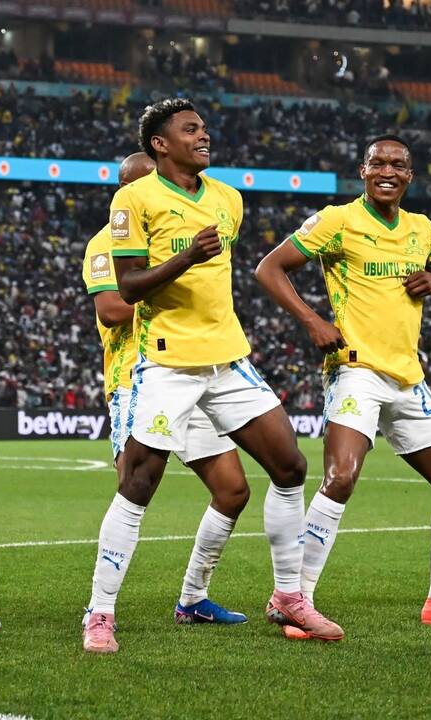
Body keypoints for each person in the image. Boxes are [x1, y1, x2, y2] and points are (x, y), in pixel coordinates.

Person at [83, 98, 329, 652]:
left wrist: (198, 264)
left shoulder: (227, 199)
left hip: (228, 359)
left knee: (289, 465)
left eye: (204, 128)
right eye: (190, 129)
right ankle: (100, 613)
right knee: (138, 483)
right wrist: (185, 257)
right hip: (167, 362)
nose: (203, 135)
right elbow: (128, 287)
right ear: (160, 144)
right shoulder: (133, 200)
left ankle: (288, 596)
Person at [254, 134, 431, 631]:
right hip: (356, 369)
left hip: (407, 376)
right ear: (362, 171)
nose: (388, 171)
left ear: (410, 175)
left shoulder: (423, 229)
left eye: (398, 165)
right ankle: (293, 598)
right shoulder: (337, 221)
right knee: (341, 477)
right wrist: (312, 320)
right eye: (378, 163)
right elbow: (269, 268)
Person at [81, 150, 250, 651]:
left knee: (232, 490)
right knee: (134, 489)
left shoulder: (192, 225)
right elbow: (112, 309)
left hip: (197, 369)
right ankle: (100, 610)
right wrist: (176, 280)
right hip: (138, 377)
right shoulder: (104, 244)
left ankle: (193, 598)